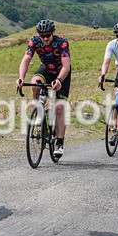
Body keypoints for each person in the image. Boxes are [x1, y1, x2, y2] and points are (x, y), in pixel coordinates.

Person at [16, 19, 71, 157]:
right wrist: (21, 78)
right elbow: (26, 60)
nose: (45, 38)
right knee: (35, 83)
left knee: (59, 108)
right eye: (42, 35)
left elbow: (66, 65)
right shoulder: (34, 41)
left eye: (48, 35)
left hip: (61, 72)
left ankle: (59, 142)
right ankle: (39, 110)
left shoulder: (61, 42)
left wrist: (59, 80)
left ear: (53, 33)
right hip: (46, 69)